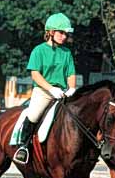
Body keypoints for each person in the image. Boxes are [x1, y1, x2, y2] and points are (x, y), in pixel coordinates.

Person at [13, 13, 76, 164]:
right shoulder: (38, 50)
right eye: (61, 33)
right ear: (51, 32)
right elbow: (35, 75)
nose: (64, 36)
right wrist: (50, 89)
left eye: (66, 34)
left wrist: (72, 88)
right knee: (34, 115)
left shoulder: (67, 53)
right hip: (43, 91)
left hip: (62, 92)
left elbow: (71, 73)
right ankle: (23, 147)